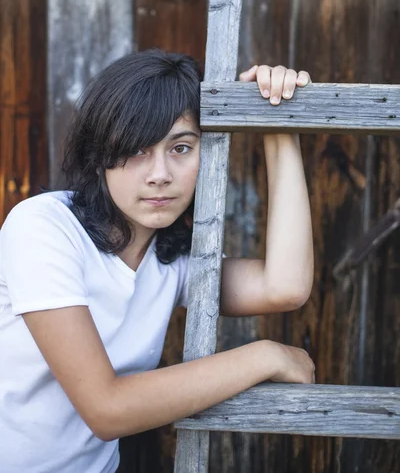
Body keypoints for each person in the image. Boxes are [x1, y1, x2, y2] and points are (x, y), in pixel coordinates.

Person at [0, 48, 315, 473]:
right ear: (99, 155)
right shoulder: (44, 227)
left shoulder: (174, 257)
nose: (160, 174)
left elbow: (286, 286)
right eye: (137, 151)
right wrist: (264, 355)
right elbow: (105, 408)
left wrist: (277, 122)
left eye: (181, 147)